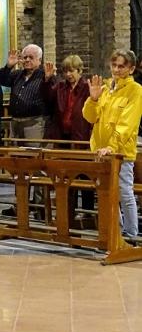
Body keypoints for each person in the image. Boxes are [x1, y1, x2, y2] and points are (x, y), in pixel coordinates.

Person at [82, 50, 142, 239]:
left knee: (124, 192)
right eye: (114, 65)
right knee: (107, 193)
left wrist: (112, 146)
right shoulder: (106, 88)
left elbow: (128, 123)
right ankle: (115, 233)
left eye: (121, 66)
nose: (116, 69)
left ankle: (131, 235)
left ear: (131, 69)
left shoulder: (135, 90)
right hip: (100, 150)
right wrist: (93, 99)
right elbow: (90, 117)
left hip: (121, 152)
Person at [0, 44, 47, 215]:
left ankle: (39, 206)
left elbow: (50, 93)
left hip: (33, 123)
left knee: (35, 164)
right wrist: (9, 65)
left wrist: (50, 78)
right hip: (15, 122)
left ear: (39, 60)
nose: (26, 60)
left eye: (30, 57)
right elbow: (0, 79)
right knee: (18, 165)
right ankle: (21, 205)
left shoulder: (43, 75)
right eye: (24, 57)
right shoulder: (17, 75)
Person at [41, 56, 93, 217]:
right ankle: (67, 209)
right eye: (65, 71)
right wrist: (47, 80)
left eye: (71, 71)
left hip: (81, 136)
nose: (68, 75)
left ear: (79, 71)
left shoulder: (86, 87)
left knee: (84, 174)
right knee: (65, 175)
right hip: (63, 136)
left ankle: (87, 211)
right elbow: (47, 100)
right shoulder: (61, 87)